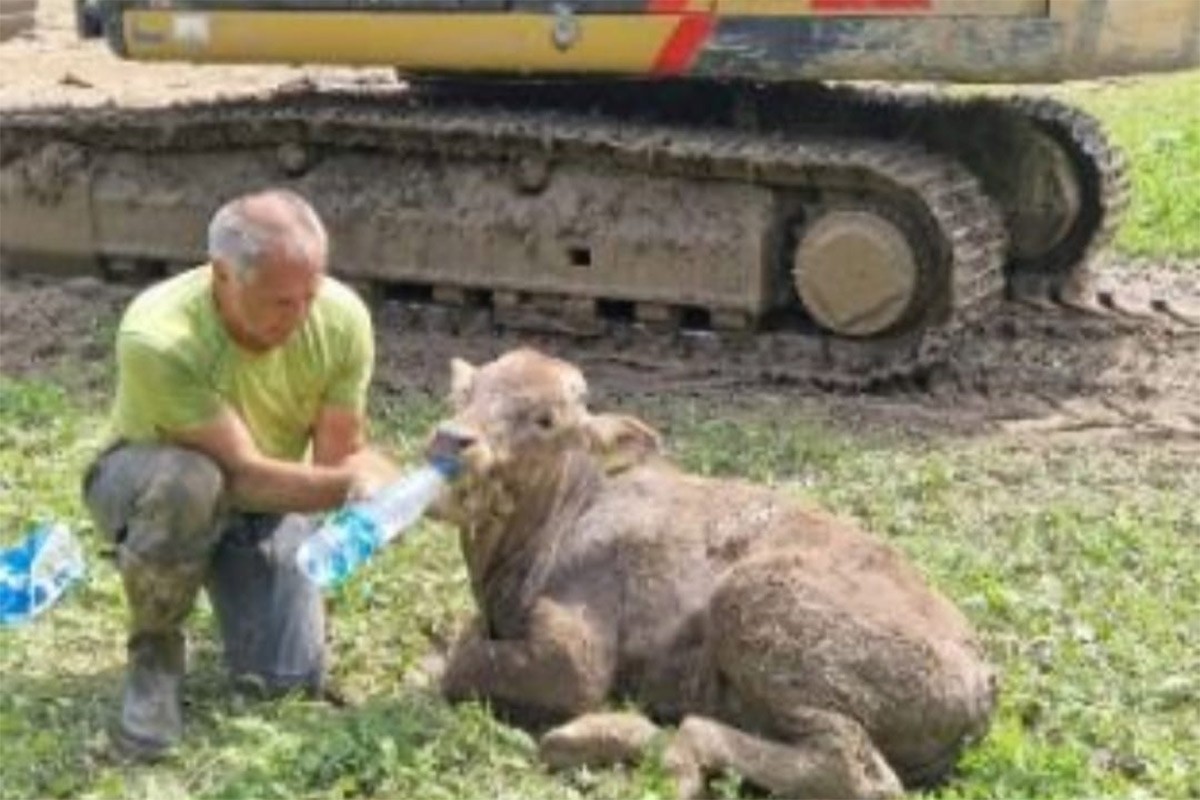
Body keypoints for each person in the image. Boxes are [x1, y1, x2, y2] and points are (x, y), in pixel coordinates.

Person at [81, 188, 399, 760]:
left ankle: (234, 568)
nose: (301, 315)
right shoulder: (160, 335)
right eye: (281, 301)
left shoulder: (341, 318)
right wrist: (357, 485)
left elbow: (335, 460)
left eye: (311, 292)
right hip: (146, 480)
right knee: (191, 484)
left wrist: (374, 477)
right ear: (223, 276)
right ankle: (154, 659)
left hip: (263, 503)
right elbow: (244, 474)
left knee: (280, 681)